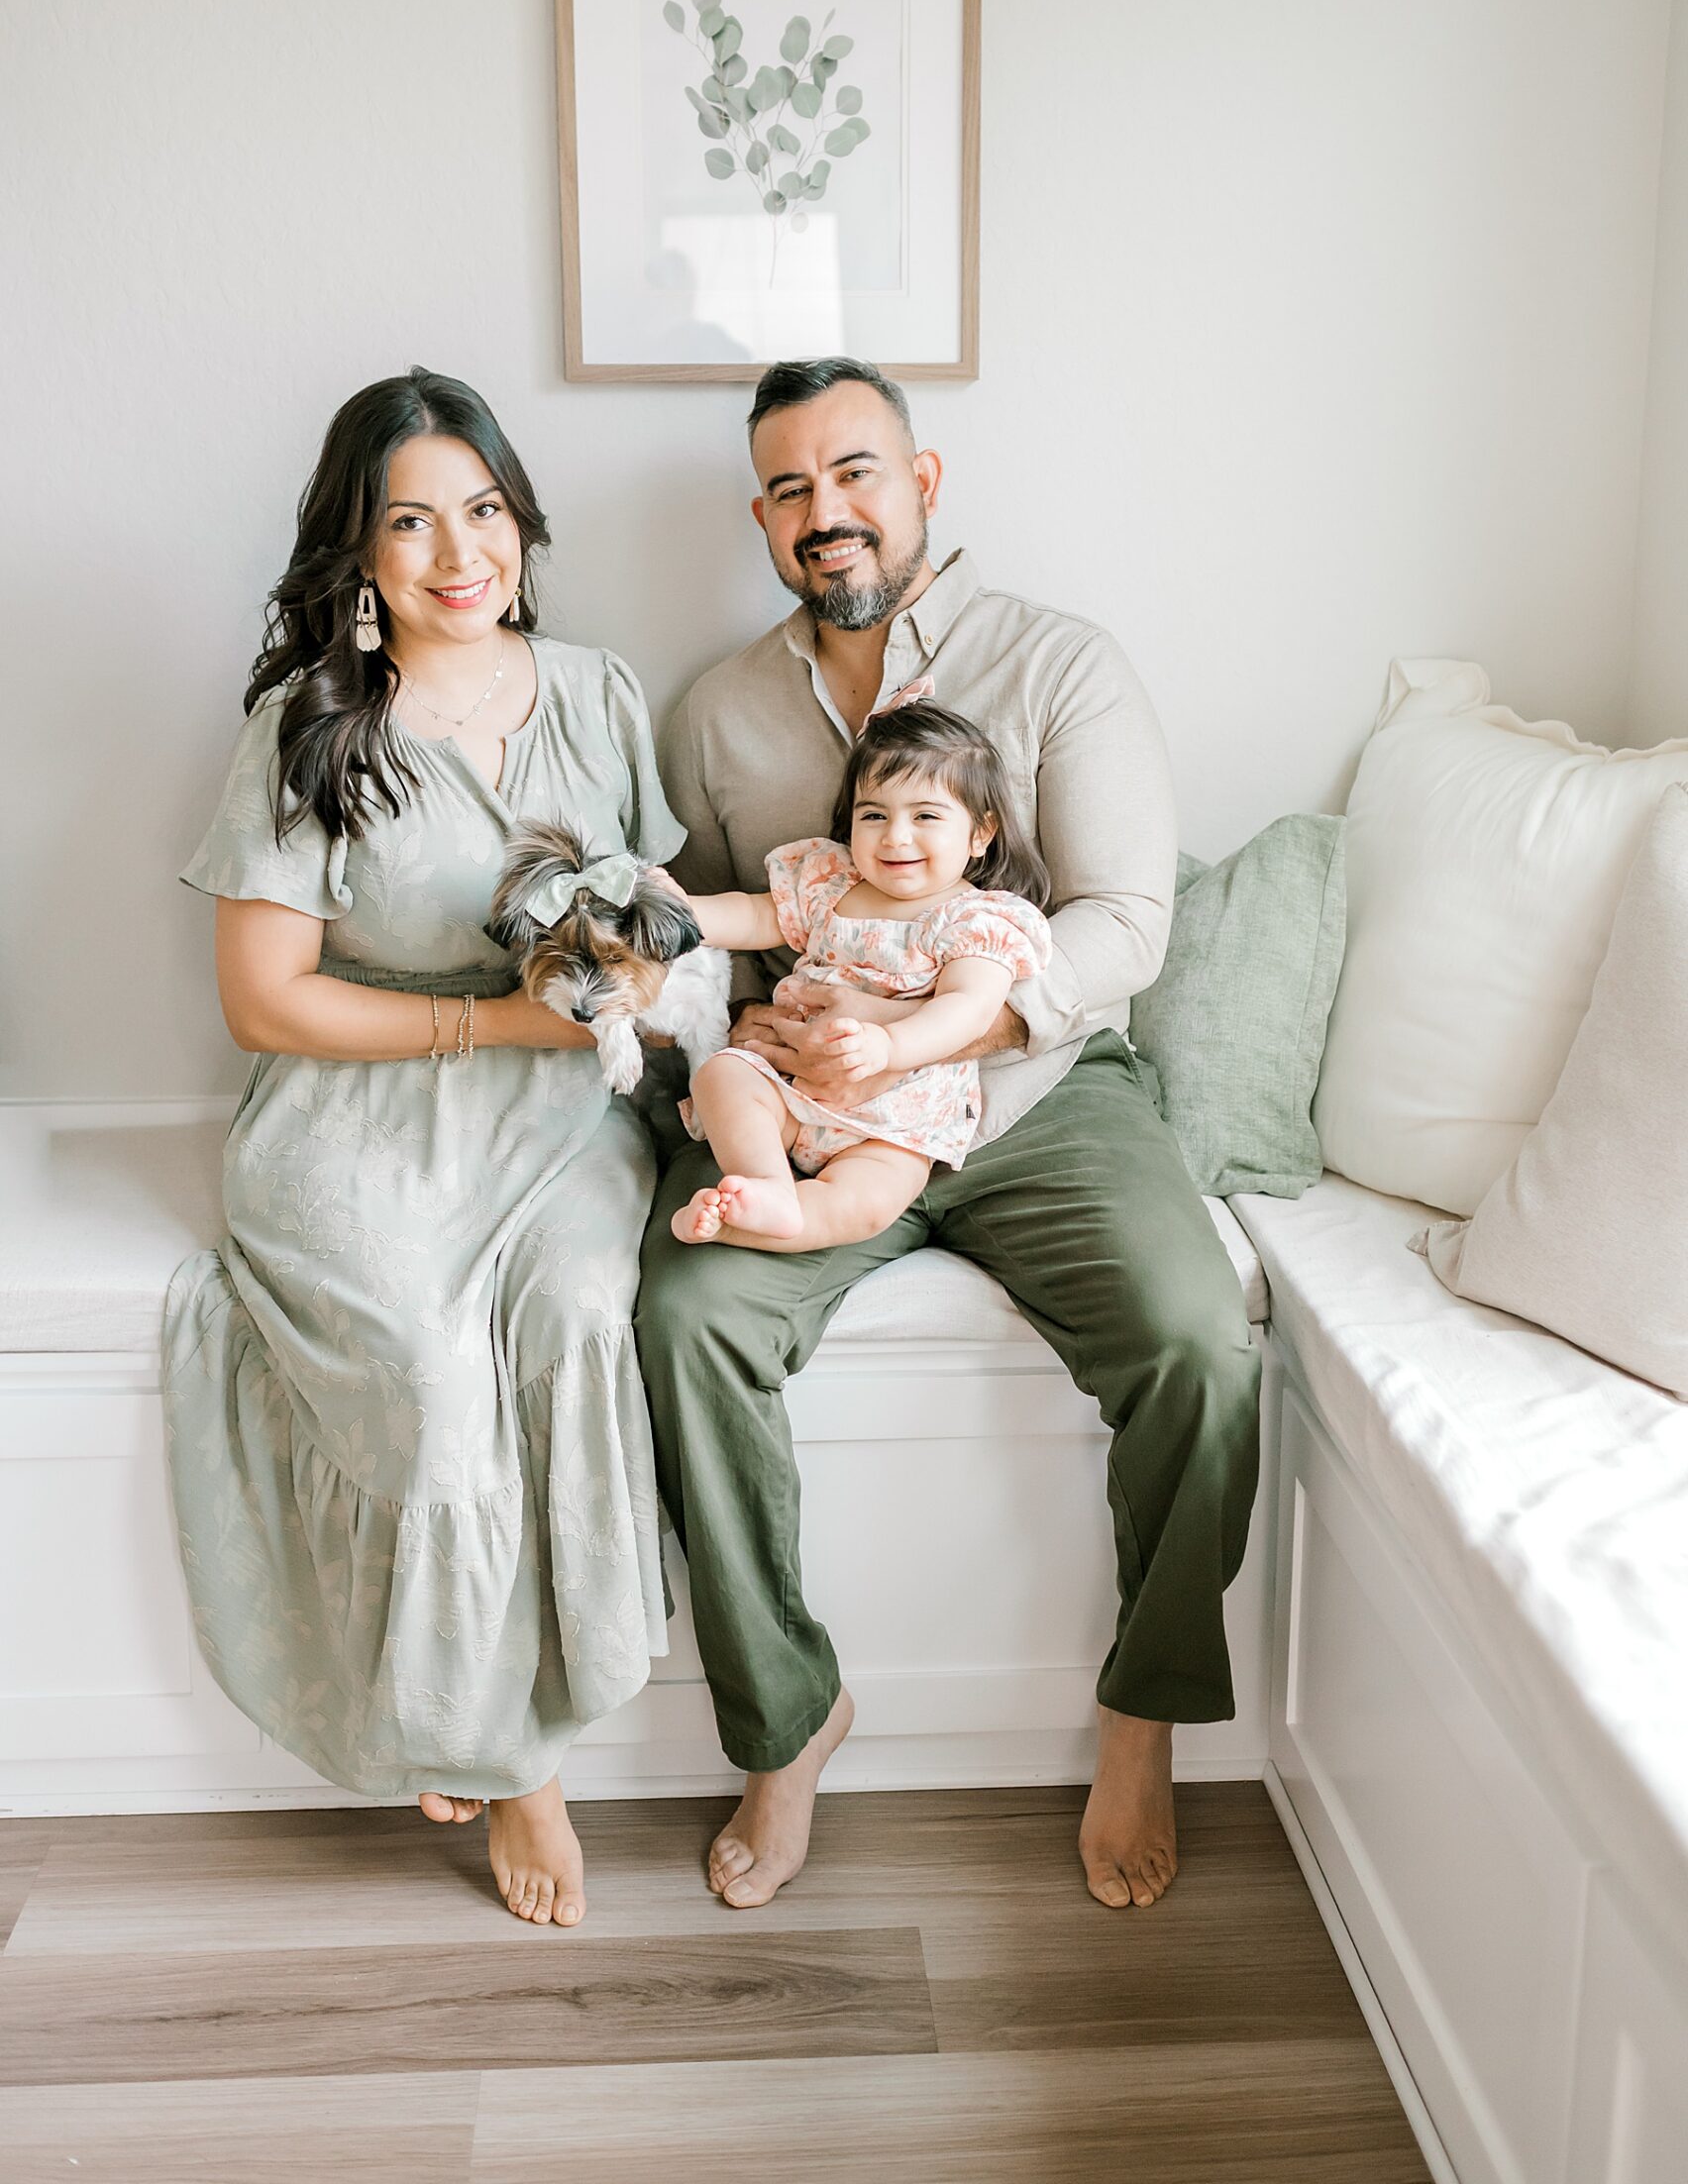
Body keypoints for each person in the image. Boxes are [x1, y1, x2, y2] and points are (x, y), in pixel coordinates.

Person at [637, 356, 1261, 1917]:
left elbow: (1125, 923)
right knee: (688, 1316)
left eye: (854, 472)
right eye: (789, 488)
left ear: (921, 484)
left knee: (1199, 1340)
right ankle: (787, 1721)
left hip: (1040, 1096)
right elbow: (726, 927)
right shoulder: (716, 711)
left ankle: (1144, 1711)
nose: (824, 511)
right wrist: (739, 1036)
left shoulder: (1061, 663)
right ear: (764, 519)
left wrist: (930, 1037)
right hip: (814, 1106)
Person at [164, 366, 681, 1928]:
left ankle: (528, 1691)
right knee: (431, 1378)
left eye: (486, 509)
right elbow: (264, 999)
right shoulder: (308, 727)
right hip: (360, 1111)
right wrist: (492, 1023)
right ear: (360, 553)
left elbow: (658, 911)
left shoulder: (600, 693)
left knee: (579, 1318)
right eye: (412, 522)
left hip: (566, 1115)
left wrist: (634, 984)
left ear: (522, 521)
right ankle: (511, 1758)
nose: (462, 553)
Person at [673, 696, 1052, 1250]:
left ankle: (746, 1224)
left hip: (895, 1121)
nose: (895, 836)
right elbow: (755, 915)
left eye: (925, 816)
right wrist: (680, 911)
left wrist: (889, 1046)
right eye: (874, 815)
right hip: (790, 1089)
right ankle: (767, 1183)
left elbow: (968, 1009)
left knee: (864, 1205)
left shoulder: (975, 920)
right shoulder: (831, 882)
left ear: (980, 833)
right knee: (720, 1075)